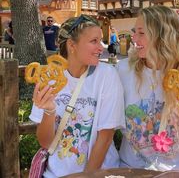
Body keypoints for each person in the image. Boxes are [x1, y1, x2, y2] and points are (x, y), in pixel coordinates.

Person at [116, 5, 179, 177]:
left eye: (141, 33)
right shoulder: (122, 71)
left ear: (162, 37)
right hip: (132, 170)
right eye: (135, 31)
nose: (134, 38)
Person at [29, 15, 125, 177]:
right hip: (55, 174)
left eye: (101, 41)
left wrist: (86, 176)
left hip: (98, 173)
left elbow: (106, 137)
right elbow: (46, 143)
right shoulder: (50, 78)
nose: (101, 47)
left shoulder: (107, 76)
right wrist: (49, 111)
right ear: (72, 45)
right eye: (94, 41)